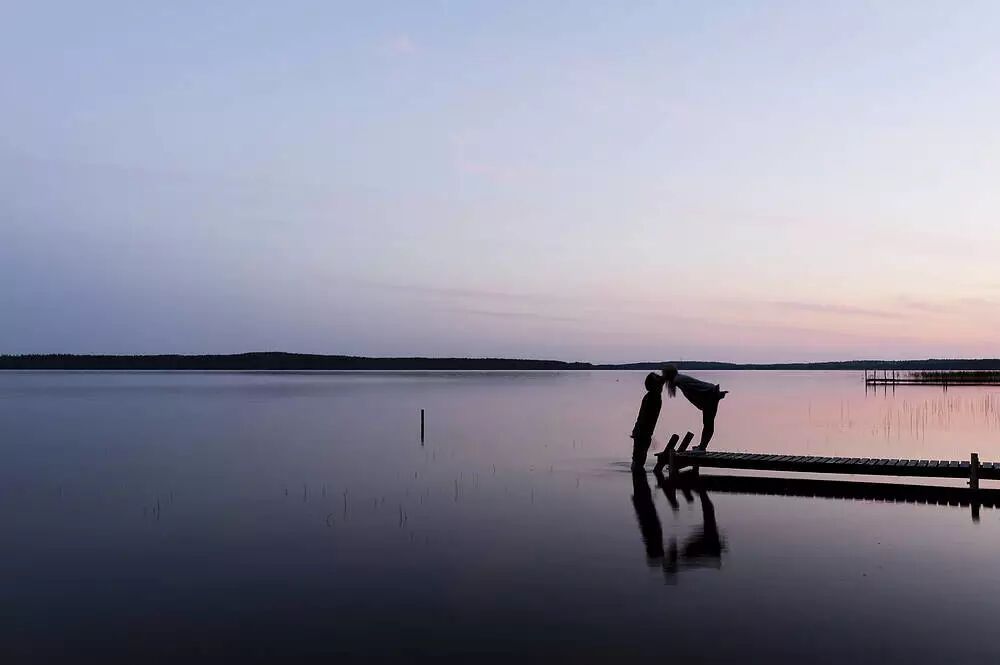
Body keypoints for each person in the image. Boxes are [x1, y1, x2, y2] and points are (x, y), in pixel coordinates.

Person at [661, 364, 728, 450]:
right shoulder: (678, 378)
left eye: (664, 374)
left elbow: (696, 388)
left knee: (708, 424)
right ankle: (702, 446)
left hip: (710, 396)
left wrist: (716, 394)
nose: (663, 376)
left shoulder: (678, 380)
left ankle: (702, 448)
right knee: (708, 424)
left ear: (668, 374)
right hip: (710, 395)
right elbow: (697, 387)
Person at [630, 372, 664, 470]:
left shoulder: (653, 396)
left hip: (645, 431)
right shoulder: (652, 396)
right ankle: (638, 474)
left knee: (639, 456)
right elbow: (643, 416)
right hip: (642, 431)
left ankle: (638, 474)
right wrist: (638, 430)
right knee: (638, 456)